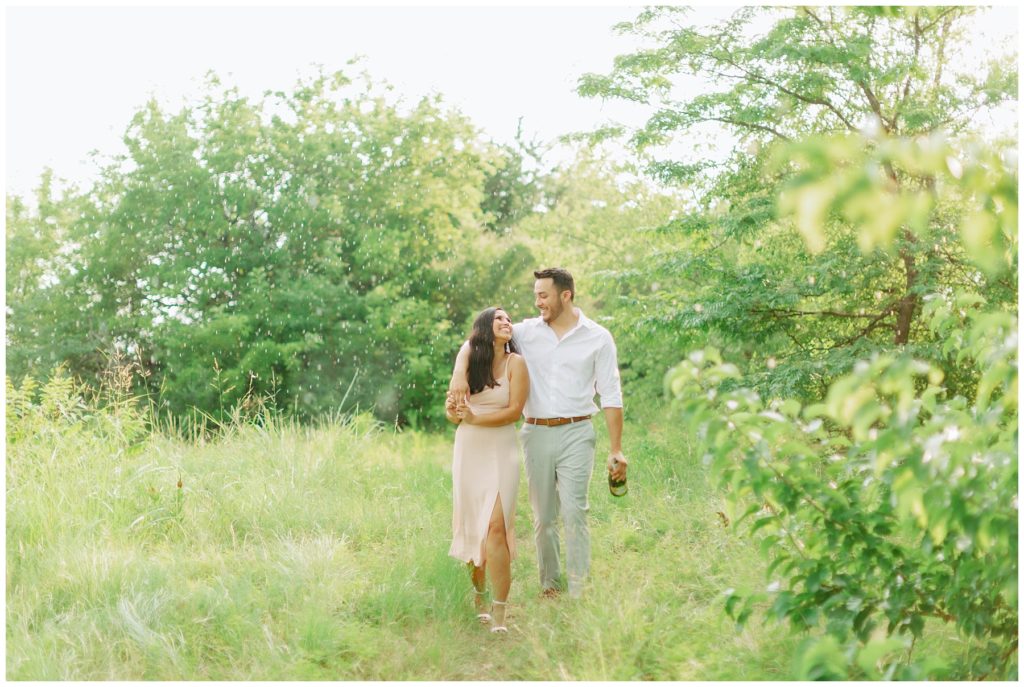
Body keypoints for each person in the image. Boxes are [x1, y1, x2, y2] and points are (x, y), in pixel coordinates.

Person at [449, 268, 626, 599]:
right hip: (536, 432)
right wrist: (460, 372)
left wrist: (616, 448)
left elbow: (612, 395)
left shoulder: (598, 337)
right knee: (544, 518)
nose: (538, 302)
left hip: (578, 430)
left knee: (576, 511)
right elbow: (476, 339)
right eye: (536, 296)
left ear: (566, 296)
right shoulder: (526, 332)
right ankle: (551, 584)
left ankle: (578, 589)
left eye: (543, 295)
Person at [445, 307, 529, 633]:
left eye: (509, 320)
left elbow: (514, 412)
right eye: (500, 319)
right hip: (468, 449)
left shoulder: (516, 364)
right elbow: (452, 413)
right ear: (484, 327)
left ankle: (501, 611)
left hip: (501, 450)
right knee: (472, 526)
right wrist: (457, 411)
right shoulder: (469, 366)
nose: (507, 323)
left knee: (496, 527)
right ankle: (479, 596)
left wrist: (476, 417)